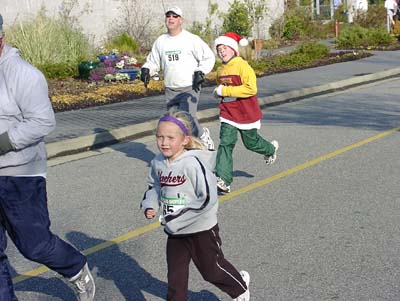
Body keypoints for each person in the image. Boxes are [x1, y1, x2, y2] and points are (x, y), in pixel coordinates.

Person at [0, 14, 95, 301]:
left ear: (1, 38)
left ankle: (76, 267)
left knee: (35, 246)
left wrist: (2, 142)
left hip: (20, 174)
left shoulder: (23, 74)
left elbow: (43, 122)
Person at [141, 110, 250, 301]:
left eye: (170, 138)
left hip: (201, 229)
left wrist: (176, 217)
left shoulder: (193, 164)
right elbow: (154, 186)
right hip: (175, 233)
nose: (164, 142)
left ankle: (240, 288)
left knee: (212, 271)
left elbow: (207, 198)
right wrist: (151, 204)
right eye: (159, 137)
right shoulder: (157, 163)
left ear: (184, 140)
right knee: (176, 280)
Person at [140, 6, 216, 151]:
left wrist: (201, 71)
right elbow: (153, 61)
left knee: (188, 118)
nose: (171, 19)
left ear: (180, 20)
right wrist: (146, 69)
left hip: (189, 86)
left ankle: (201, 139)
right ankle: (183, 150)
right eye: (168, 16)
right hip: (171, 87)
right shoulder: (161, 41)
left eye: (174, 16)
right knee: (175, 121)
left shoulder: (191, 39)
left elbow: (208, 57)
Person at [213, 32, 279, 194]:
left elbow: (251, 89)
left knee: (251, 143)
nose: (222, 51)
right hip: (228, 113)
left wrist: (225, 91)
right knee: (225, 143)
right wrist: (218, 92)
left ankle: (270, 149)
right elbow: (220, 86)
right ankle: (223, 180)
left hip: (246, 113)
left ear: (233, 49)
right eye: (219, 49)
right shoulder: (221, 70)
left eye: (225, 48)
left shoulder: (243, 66)